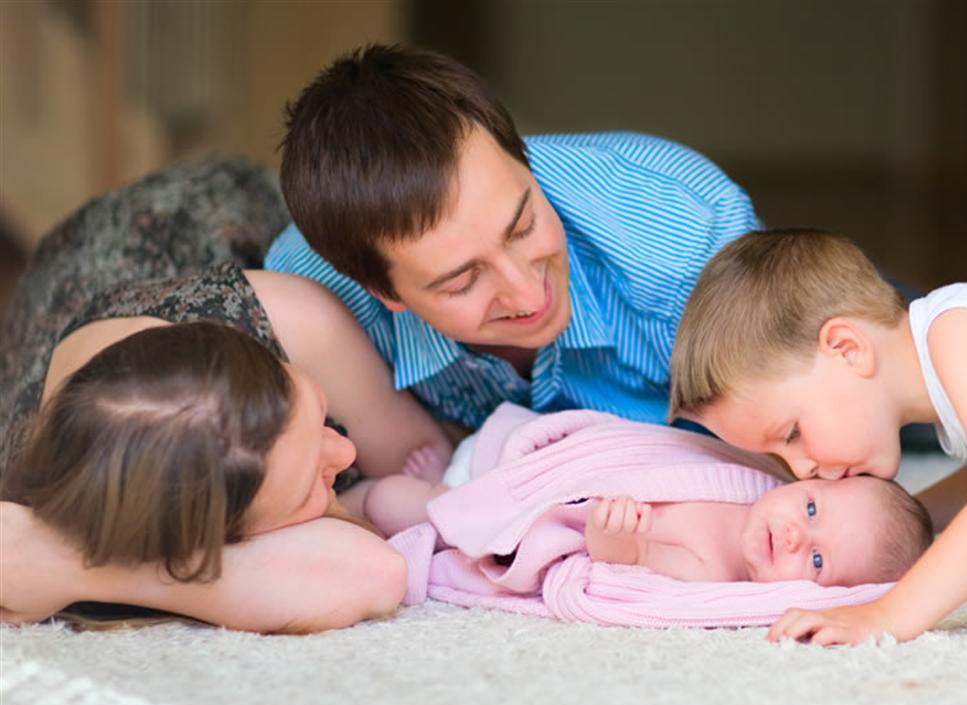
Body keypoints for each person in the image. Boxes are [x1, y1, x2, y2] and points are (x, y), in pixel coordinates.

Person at [0, 157, 453, 633]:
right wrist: (87, 568)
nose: (347, 449)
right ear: (208, 544)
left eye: (320, 416)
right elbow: (373, 572)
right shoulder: (29, 497)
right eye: (304, 489)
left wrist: (73, 566)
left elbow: (430, 468)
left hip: (209, 205)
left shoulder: (299, 322)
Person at [266, 43, 760, 430]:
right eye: (461, 282)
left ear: (524, 159)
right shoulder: (312, 301)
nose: (527, 294)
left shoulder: (687, 235)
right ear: (384, 290)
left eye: (522, 227)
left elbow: (808, 446)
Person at [669, 228, 967, 643]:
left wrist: (887, 616)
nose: (803, 469)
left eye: (793, 434)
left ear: (846, 348)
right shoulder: (947, 378)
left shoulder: (961, 336)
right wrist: (899, 526)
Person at [363, 414, 933, 589]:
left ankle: (410, 500)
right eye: (811, 510)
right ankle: (453, 479)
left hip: (532, 523)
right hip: (534, 470)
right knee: (451, 472)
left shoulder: (713, 574)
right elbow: (660, 447)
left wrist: (619, 544)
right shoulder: (757, 478)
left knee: (391, 502)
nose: (793, 534)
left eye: (815, 560)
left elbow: (637, 561)